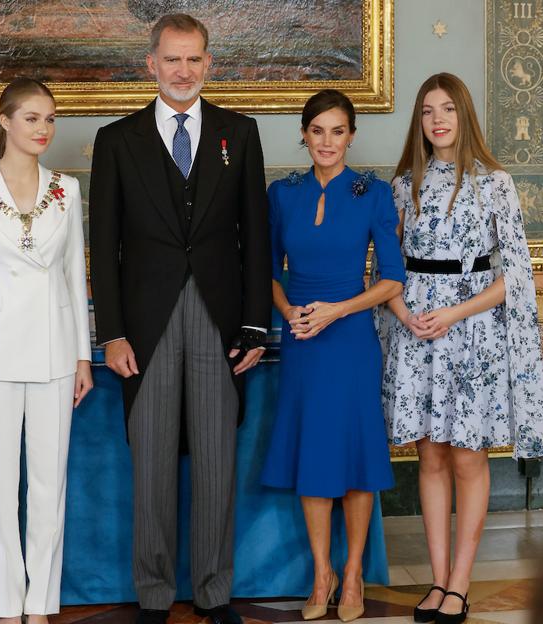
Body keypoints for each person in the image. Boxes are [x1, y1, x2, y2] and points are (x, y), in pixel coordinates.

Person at [88, 14, 271, 624]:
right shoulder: (117, 141)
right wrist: (111, 332)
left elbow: (256, 237)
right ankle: (154, 594)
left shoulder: (239, 134)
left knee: (218, 461)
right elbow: (104, 243)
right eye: (172, 59)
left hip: (221, 321)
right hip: (145, 325)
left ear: (208, 63)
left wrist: (254, 324)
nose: (183, 71)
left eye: (194, 59)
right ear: (152, 64)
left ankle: (216, 593)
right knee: (153, 464)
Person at [380, 72, 543, 624]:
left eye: (447, 108)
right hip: (416, 330)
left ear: (464, 113)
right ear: (419, 121)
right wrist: (406, 314)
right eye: (427, 111)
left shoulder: (494, 182)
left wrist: (453, 312)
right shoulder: (403, 184)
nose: (437, 119)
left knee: (468, 458)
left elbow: (514, 276)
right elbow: (386, 269)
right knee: (429, 455)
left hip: (470, 333)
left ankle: (460, 583)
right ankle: (436, 578)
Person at [0, 78, 93, 624]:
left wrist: (83, 356)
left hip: (56, 352)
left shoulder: (67, 189)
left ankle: (41, 604)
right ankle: (8, 605)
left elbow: (76, 276)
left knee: (48, 488)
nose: (43, 129)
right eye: (31, 118)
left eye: (49, 119)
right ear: (4, 121)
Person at [260, 89, 405, 623]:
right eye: (317, 130)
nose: (326, 141)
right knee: (314, 455)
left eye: (337, 131)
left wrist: (336, 311)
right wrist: (291, 312)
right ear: (303, 134)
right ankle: (321, 573)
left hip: (350, 341)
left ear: (351, 136)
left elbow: (392, 278)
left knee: (357, 460)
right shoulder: (282, 194)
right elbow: (269, 271)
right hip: (302, 340)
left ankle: (353, 575)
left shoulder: (374, 193)